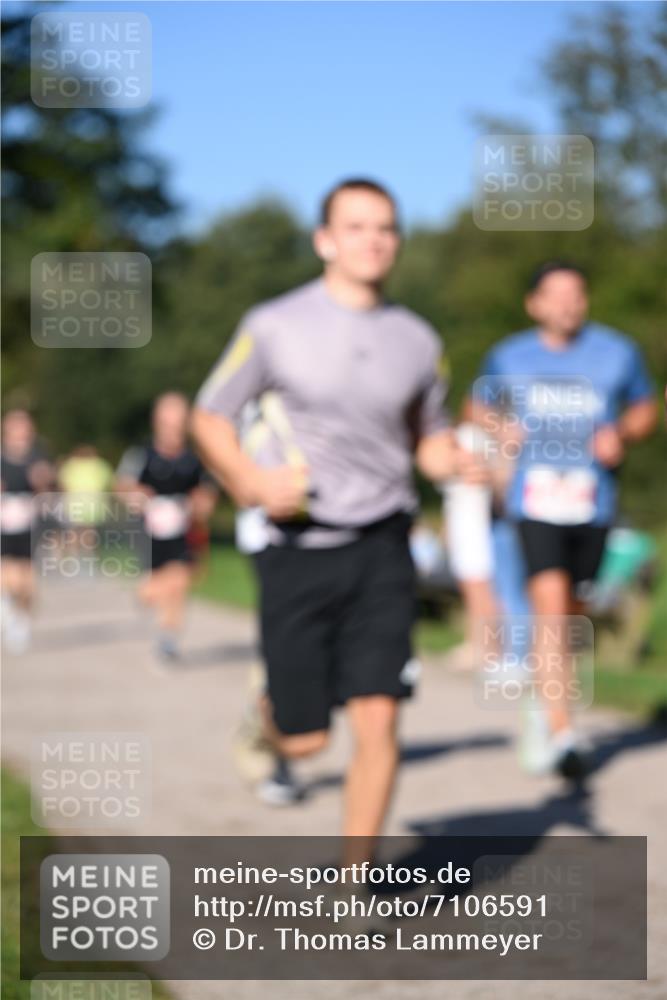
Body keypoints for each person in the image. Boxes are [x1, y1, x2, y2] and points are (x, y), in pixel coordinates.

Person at [191, 178, 482, 856]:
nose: (373, 239)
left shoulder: (418, 340)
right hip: (297, 547)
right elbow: (210, 415)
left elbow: (428, 438)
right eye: (355, 226)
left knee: (378, 722)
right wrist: (250, 480)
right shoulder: (273, 324)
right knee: (306, 738)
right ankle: (264, 722)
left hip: (383, 545)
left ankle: (357, 881)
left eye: (385, 227)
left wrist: (463, 459)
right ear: (324, 241)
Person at [475, 261, 657, 778]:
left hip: (592, 502)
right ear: (534, 304)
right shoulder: (510, 356)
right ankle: (561, 728)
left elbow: (645, 409)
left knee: (574, 610)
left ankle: (544, 697)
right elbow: (477, 407)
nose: (567, 304)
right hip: (534, 501)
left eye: (576, 294)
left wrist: (621, 432)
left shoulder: (617, 351)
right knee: (551, 609)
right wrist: (501, 426)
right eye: (555, 295)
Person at [116, 392, 218, 663]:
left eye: (178, 422)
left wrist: (201, 503)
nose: (173, 429)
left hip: (182, 533)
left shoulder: (193, 459)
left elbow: (207, 492)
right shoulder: (141, 455)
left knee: (179, 583)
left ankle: (168, 639)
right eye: (167, 422)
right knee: (155, 589)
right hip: (148, 534)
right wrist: (135, 494)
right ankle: (147, 598)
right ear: (157, 422)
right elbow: (122, 487)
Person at [1, 409, 55, 653]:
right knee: (7, 575)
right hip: (4, 524)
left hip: (30, 524)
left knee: (28, 581)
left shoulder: (37, 458)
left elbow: (49, 489)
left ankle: (21, 620)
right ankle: (6, 606)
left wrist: (42, 481)